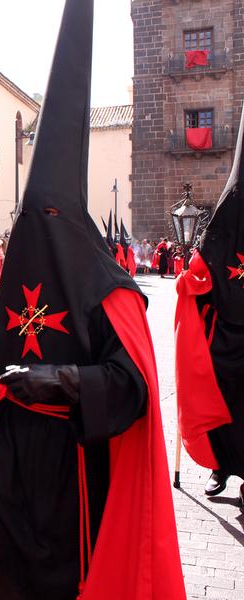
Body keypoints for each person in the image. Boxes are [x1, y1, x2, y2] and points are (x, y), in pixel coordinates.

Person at [0, 2, 185, 598]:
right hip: (4, 456)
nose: (39, 229)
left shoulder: (112, 293)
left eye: (50, 218)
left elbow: (133, 388)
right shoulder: (8, 281)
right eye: (32, 217)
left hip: (70, 469)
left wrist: (62, 380)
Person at [175, 101, 244, 510]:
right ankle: (221, 468)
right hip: (224, 339)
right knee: (222, 407)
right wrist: (188, 280)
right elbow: (203, 272)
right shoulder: (224, 215)